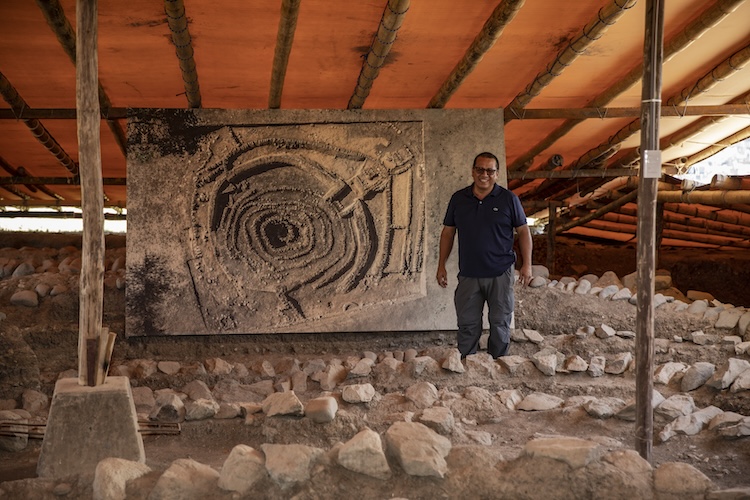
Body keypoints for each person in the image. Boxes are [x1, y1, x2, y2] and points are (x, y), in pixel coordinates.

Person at [436, 151, 533, 359]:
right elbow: (448, 233)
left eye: (490, 171)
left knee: (500, 322)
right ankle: (468, 363)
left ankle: (498, 364)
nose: (484, 174)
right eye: (480, 169)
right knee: (467, 323)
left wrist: (527, 265)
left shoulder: (509, 199)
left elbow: (524, 231)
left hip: (501, 272)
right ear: (473, 171)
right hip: (469, 273)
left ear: (497, 174)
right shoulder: (459, 199)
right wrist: (441, 265)